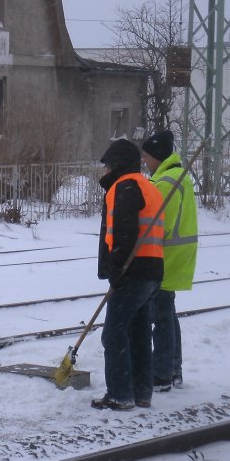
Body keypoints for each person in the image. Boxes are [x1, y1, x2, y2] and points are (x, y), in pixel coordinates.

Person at [93, 137, 164, 411]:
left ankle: (121, 395)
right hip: (152, 268)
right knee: (138, 330)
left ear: (117, 166)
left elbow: (124, 231)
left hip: (132, 271)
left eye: (108, 165)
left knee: (114, 334)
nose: (105, 171)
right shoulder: (148, 186)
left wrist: (118, 268)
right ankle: (141, 392)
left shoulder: (125, 187)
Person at [140, 128, 198, 391]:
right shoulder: (177, 176)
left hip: (165, 256)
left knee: (161, 317)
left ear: (157, 156)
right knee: (168, 315)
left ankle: (162, 374)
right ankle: (173, 370)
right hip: (178, 255)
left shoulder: (166, 183)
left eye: (147, 156)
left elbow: (159, 225)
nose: (145, 161)